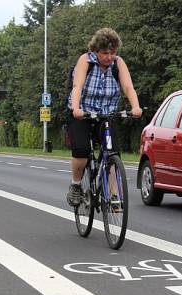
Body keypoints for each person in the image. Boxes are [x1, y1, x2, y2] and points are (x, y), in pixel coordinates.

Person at [66, 27, 143, 206]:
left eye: (113, 52)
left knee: (113, 153)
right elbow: (77, 87)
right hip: (83, 113)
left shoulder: (118, 63)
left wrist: (136, 107)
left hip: (106, 114)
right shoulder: (86, 61)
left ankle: (114, 195)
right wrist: (76, 109)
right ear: (95, 51)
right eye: (105, 53)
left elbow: (128, 87)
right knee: (82, 150)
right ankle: (76, 185)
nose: (109, 57)